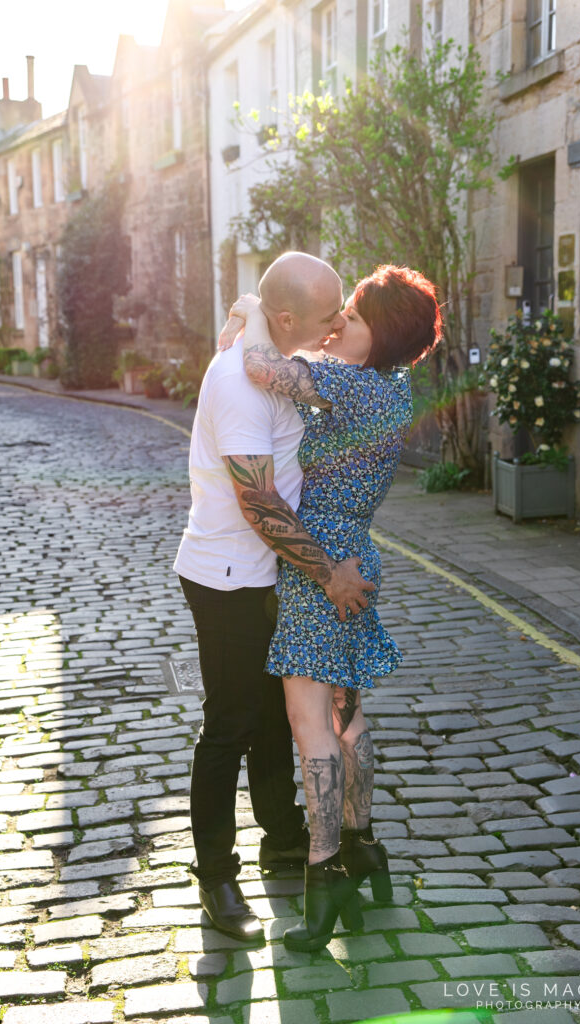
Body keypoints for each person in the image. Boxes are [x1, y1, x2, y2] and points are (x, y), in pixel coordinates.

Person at [220, 264, 442, 951]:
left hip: (322, 560)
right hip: (356, 551)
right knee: (347, 712)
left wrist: (250, 309)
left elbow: (258, 366)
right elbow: (310, 360)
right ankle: (362, 841)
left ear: (381, 335)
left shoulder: (347, 385)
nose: (339, 322)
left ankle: (324, 876)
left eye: (352, 314)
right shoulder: (389, 385)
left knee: (308, 720)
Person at [173, 252, 375, 944]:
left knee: (269, 717)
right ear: (287, 317)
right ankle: (214, 876)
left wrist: (250, 310)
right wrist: (330, 575)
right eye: (329, 315)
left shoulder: (271, 351)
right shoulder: (238, 380)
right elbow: (257, 503)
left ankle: (282, 836)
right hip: (226, 576)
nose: (339, 323)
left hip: (268, 575)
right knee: (229, 725)